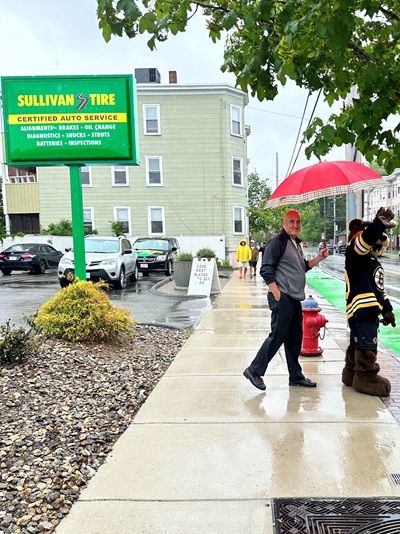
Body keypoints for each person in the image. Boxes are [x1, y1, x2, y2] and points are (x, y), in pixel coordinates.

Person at [243, 209, 329, 391]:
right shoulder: (278, 242)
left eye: (298, 222)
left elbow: (302, 268)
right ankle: (254, 370)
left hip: (294, 298)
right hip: (283, 297)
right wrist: (277, 294)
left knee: (294, 338)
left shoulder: (296, 244)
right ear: (284, 224)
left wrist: (319, 258)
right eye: (291, 222)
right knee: (278, 335)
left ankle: (295, 376)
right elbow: (266, 269)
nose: (295, 225)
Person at [342, 207, 396, 397]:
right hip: (361, 309)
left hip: (368, 309)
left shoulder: (370, 262)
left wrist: (387, 310)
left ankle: (350, 373)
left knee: (357, 342)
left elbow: (379, 291)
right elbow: (362, 243)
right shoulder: (354, 254)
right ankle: (365, 377)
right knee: (366, 344)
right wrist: (377, 224)